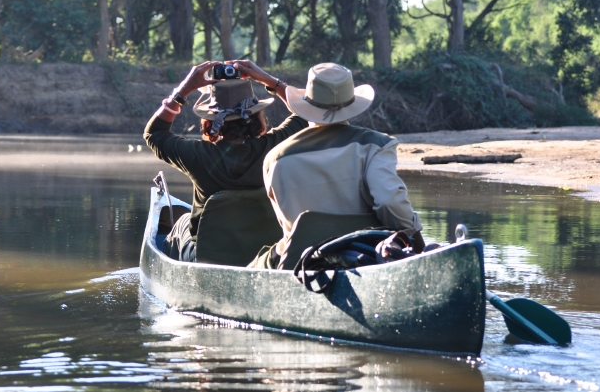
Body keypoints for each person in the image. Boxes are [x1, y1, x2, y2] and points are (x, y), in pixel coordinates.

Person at [143, 60, 309, 262]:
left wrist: (182, 91)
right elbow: (307, 112)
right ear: (256, 116)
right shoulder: (276, 146)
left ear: (210, 120)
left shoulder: (197, 155)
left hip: (207, 257)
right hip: (267, 256)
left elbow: (154, 134)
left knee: (182, 222)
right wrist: (270, 81)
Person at [262, 62, 425, 265]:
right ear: (351, 104)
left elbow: (285, 224)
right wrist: (416, 239)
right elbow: (389, 201)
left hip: (299, 262)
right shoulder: (376, 145)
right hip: (366, 256)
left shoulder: (275, 158)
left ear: (307, 105)